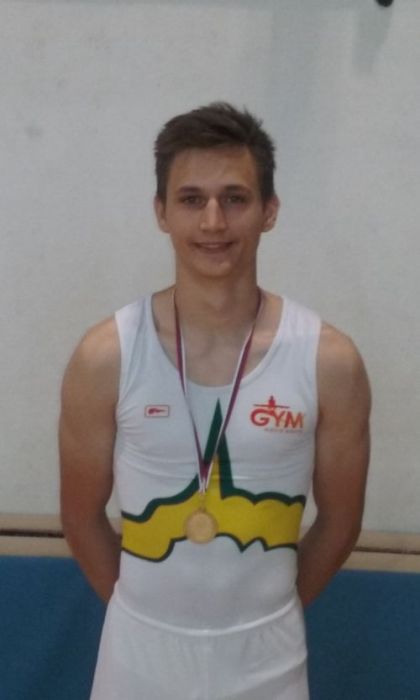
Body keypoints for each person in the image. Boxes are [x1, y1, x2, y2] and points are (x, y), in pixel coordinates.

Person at [59, 102, 371, 700]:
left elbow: (340, 522)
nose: (212, 221)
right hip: (138, 653)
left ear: (269, 210)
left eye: (235, 198)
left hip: (268, 656)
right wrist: (151, 618)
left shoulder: (329, 361)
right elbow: (79, 517)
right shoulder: (106, 356)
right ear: (161, 212)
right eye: (191, 199)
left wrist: (260, 622)